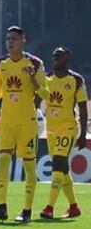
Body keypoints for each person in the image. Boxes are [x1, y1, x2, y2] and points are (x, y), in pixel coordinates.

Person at [0, 27, 47, 223]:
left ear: (23, 40)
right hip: (6, 121)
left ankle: (26, 210)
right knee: (2, 162)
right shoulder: (1, 63)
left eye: (14, 38)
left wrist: (33, 79)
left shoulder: (35, 63)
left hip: (27, 121)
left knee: (29, 166)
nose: (10, 42)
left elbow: (45, 93)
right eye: (8, 39)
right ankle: (2, 206)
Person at [39, 47, 84, 220]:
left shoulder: (76, 80)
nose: (55, 57)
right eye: (54, 55)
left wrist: (81, 136)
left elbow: (81, 107)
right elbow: (38, 99)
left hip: (69, 128)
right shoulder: (47, 78)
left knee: (57, 164)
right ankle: (74, 207)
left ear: (67, 58)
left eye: (59, 55)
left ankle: (49, 207)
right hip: (52, 130)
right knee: (63, 169)